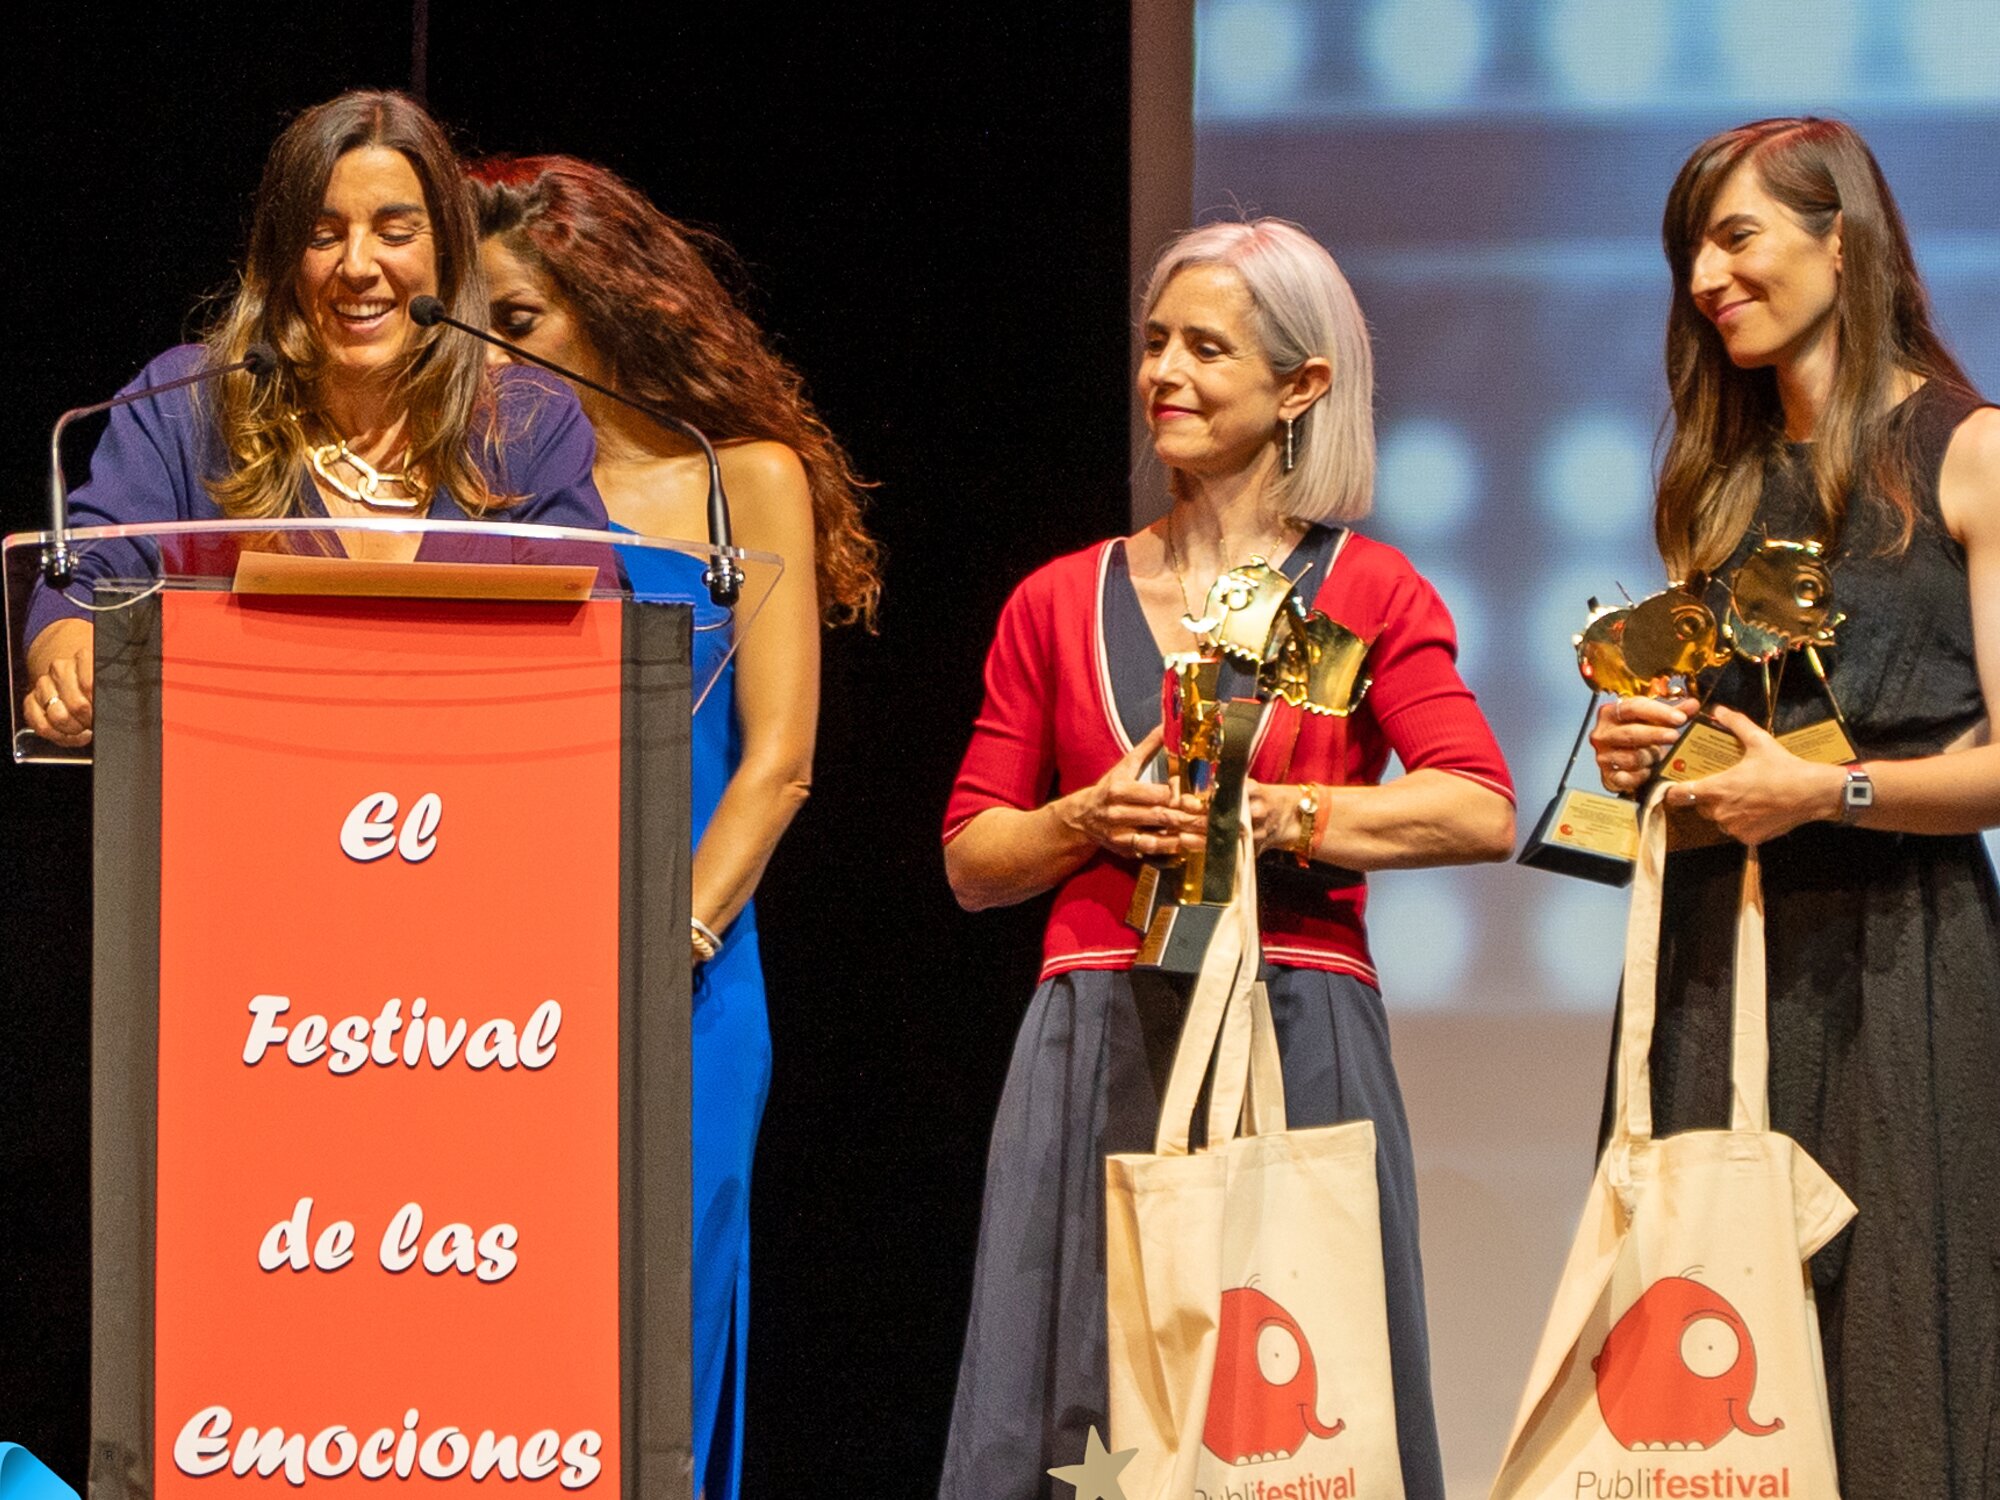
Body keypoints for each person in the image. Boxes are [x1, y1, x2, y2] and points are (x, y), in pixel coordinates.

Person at [937, 219, 1515, 1500]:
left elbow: (1475, 806)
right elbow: (972, 856)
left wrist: (1275, 820)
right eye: (1155, 344)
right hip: (1093, 1027)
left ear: (1301, 387)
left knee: (1296, 1418)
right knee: (1074, 1408)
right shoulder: (1053, 598)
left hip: (1294, 1017)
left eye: (1207, 348)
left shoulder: (1368, 592)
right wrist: (1083, 819)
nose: (1165, 375)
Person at [1587, 118, 2000, 1498]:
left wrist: (1827, 788)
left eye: (1737, 235)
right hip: (1726, 952)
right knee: (1715, 1352)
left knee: (1891, 1338)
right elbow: (1719, 738)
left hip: (1903, 963)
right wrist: (1652, 757)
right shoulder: (1714, 484)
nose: (1706, 276)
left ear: (1844, 238)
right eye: (1689, 250)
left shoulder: (1969, 452)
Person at [469, 155, 881, 1500]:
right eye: (471, 325)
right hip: (493, 986)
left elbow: (780, 765)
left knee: (650, 1347)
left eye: (518, 321)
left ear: (611, 307)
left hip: (683, 985)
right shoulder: (475, 495)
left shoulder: (742, 481)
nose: (492, 357)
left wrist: (666, 946)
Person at [22, 91, 610, 750]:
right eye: (322, 235)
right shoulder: (187, 405)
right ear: (282, 258)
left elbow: (597, 636)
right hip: (236, 803)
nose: (358, 267)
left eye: (395, 232)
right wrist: (70, 659)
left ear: (446, 251)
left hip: (471, 803)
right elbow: (84, 586)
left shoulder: (528, 424)